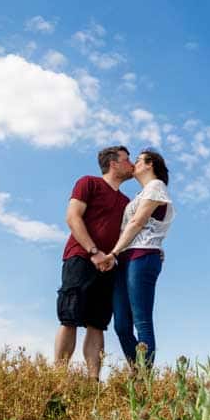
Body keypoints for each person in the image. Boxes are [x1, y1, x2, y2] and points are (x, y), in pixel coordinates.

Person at [54, 146, 134, 379]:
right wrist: (93, 251)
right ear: (113, 163)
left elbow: (129, 233)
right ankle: (58, 378)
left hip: (108, 265)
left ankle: (92, 382)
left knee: (98, 323)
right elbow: (72, 217)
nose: (131, 165)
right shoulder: (88, 183)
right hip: (80, 257)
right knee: (69, 317)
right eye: (127, 160)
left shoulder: (126, 202)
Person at [101, 149, 174, 367]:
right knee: (121, 325)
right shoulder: (141, 194)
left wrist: (112, 252)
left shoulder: (156, 187)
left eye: (138, 160)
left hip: (142, 257)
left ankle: (144, 380)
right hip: (126, 259)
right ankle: (138, 370)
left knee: (142, 320)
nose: (134, 164)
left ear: (150, 164)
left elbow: (137, 223)